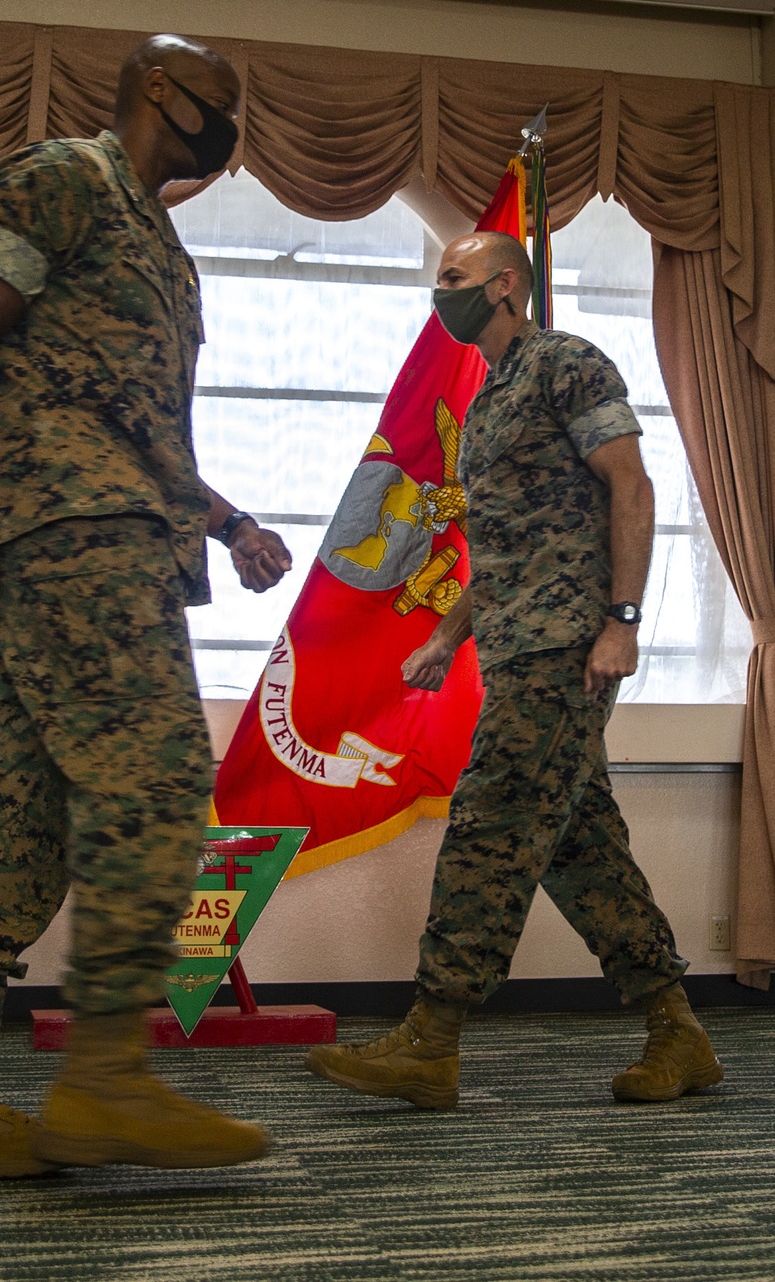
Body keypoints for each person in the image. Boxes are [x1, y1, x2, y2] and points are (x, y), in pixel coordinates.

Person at [0, 35, 292, 1179]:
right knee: (157, 778)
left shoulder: (163, 247)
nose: (230, 123)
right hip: (69, 537)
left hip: (125, 533)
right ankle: (104, 1075)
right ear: (162, 88)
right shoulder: (64, 176)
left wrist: (230, 522)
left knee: (24, 822)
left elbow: (135, 428)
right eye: (223, 100)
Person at [307, 230, 723, 1110]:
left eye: (452, 275)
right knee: (581, 847)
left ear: (503, 285)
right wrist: (445, 637)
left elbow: (633, 488)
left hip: (568, 645)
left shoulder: (566, 363)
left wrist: (622, 622)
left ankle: (433, 1036)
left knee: (492, 822)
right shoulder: (490, 398)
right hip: (514, 644)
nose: (439, 289)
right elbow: (499, 556)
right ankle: (677, 1031)